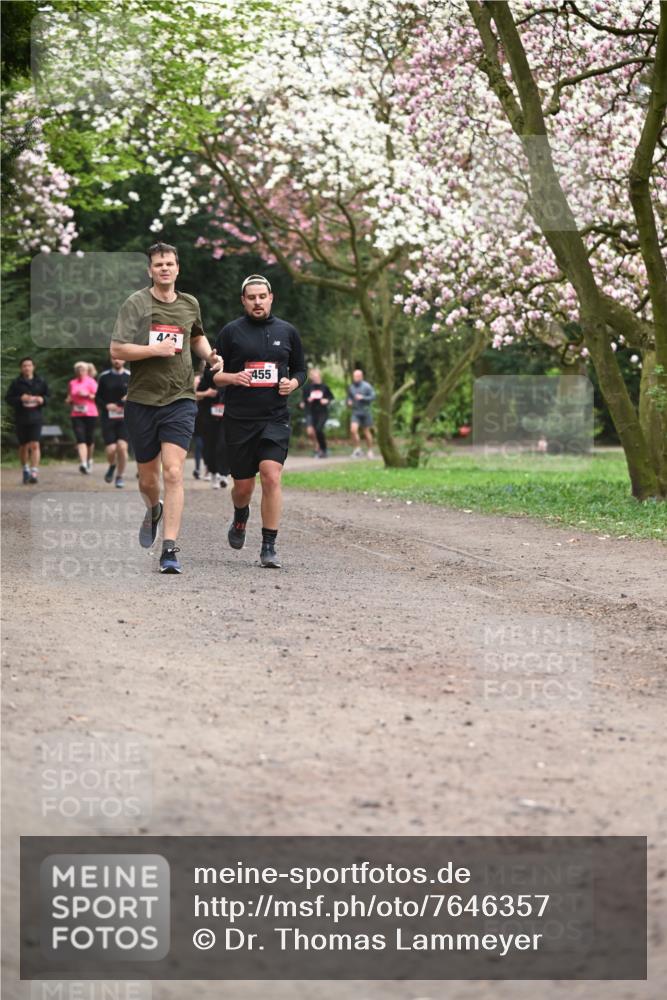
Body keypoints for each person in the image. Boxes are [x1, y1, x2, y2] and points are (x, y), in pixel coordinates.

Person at [110, 241, 219, 574]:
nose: (165, 269)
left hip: (180, 398)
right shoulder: (136, 303)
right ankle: (153, 508)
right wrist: (151, 351)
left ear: (177, 268)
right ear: (150, 270)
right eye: (158, 265)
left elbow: (195, 336)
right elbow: (117, 349)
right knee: (148, 479)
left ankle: (169, 548)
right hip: (142, 400)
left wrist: (210, 355)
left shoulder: (189, 304)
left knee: (173, 471)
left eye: (170, 263)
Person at [214, 274, 306, 569]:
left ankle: (269, 545)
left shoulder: (288, 331)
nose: (257, 302)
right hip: (239, 419)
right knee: (243, 487)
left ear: (271, 297)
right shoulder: (230, 332)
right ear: (243, 300)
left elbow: (301, 369)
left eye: (261, 296)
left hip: (275, 418)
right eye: (251, 297)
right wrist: (233, 377)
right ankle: (241, 516)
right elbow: (212, 375)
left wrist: (293, 383)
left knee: (271, 475)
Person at [5, 357, 50, 484]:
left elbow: (48, 396)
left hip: (36, 417)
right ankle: (25, 469)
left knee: (35, 444)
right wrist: (20, 398)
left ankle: (34, 471)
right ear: (21, 368)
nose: (27, 368)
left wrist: (43, 400)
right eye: (24, 365)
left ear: (33, 367)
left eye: (29, 365)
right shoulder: (16, 383)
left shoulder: (41, 381)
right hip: (21, 417)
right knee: (23, 445)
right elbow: (8, 399)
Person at [95, 355, 130, 488]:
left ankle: (120, 476)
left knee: (122, 446)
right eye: (114, 358)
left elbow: (138, 394)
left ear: (124, 360)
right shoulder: (104, 377)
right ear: (111, 360)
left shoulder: (130, 376)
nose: (117, 360)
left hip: (125, 418)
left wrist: (130, 397)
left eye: (120, 358)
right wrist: (106, 405)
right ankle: (112, 464)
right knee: (111, 449)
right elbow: (97, 397)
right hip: (108, 417)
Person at [197, 365, 229, 488]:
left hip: (225, 417)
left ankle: (224, 474)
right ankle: (213, 473)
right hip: (208, 417)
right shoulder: (206, 378)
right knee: (210, 446)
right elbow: (195, 394)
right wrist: (207, 393)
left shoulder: (230, 374)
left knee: (223, 444)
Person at [66, 361, 98, 473]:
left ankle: (89, 460)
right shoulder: (72, 383)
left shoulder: (92, 382)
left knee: (89, 439)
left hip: (90, 414)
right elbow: (69, 397)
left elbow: (98, 398)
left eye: (83, 370)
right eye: (78, 370)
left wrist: (87, 395)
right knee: (80, 438)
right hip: (76, 414)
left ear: (87, 371)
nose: (80, 372)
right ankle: (83, 463)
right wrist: (68, 400)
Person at [301, 368, 334, 457]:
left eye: (316, 375)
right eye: (313, 375)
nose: (315, 377)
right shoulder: (307, 388)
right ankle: (317, 447)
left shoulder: (325, 387)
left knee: (318, 430)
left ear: (319, 375)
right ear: (311, 377)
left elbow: (331, 397)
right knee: (310, 432)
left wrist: (326, 400)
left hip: (322, 412)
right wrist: (306, 401)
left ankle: (323, 449)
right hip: (310, 412)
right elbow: (303, 400)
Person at [347, 368, 375, 458]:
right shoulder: (351, 387)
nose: (355, 377)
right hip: (356, 411)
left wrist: (363, 397)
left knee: (366, 432)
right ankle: (358, 449)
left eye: (357, 376)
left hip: (366, 411)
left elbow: (373, 396)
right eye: (354, 376)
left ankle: (370, 450)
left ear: (361, 376)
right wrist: (349, 401)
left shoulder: (367, 386)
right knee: (353, 430)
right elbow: (349, 398)